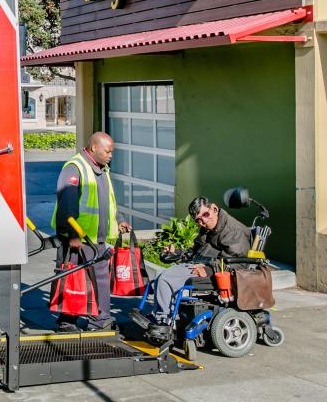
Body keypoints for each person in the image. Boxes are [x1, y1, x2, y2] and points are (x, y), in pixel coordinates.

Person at [53, 131, 130, 332]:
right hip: (82, 238)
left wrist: (119, 219)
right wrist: (72, 234)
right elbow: (66, 204)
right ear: (94, 147)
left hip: (92, 237)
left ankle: (67, 321)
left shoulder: (101, 169)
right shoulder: (75, 168)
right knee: (97, 279)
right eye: (108, 151)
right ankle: (100, 321)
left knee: (73, 278)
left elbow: (108, 201)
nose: (111, 155)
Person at [145, 196, 251, 341]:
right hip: (199, 263)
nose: (203, 221)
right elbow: (195, 250)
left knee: (166, 279)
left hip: (213, 270)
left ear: (214, 208)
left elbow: (237, 263)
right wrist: (176, 253)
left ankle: (164, 321)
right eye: (198, 220)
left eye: (205, 215)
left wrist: (208, 270)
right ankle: (164, 315)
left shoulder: (233, 231)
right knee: (161, 274)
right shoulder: (209, 227)